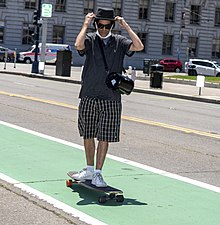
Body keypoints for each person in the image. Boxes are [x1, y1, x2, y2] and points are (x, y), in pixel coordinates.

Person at [72, 7, 144, 187]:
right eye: (100, 25)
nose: (103, 29)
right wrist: (85, 24)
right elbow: (78, 45)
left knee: (105, 135)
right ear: (96, 24)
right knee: (88, 133)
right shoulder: (90, 39)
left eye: (107, 26)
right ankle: (88, 170)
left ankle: (97, 173)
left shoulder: (119, 41)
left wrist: (125, 25)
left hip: (111, 97)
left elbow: (139, 46)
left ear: (112, 25)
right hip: (89, 94)